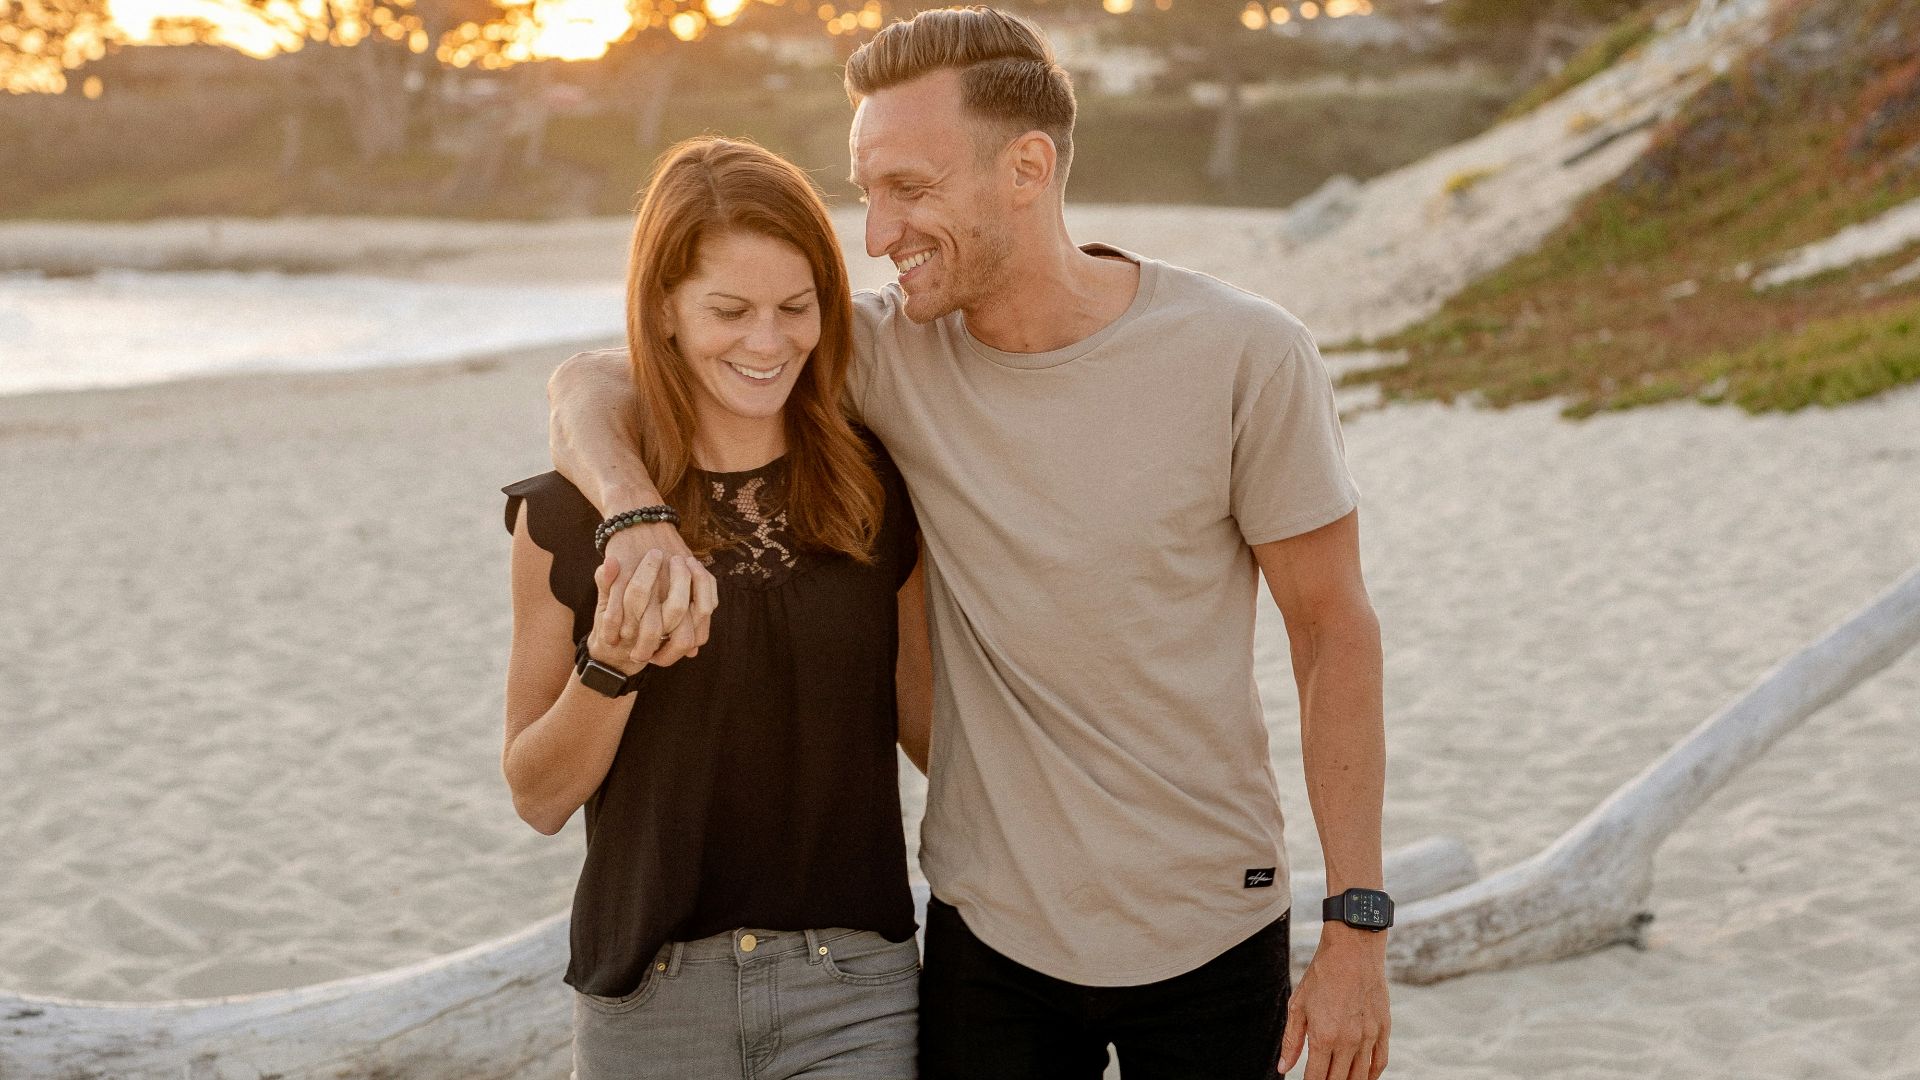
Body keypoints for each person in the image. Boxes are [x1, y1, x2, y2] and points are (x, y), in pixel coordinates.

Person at [547, 9, 1392, 1080]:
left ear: (1027, 168)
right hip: (989, 937)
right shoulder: (885, 356)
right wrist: (633, 512)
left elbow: (1333, 633)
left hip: (1211, 922)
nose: (879, 232)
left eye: (912, 188)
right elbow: (595, 379)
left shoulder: (1245, 354)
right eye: (868, 192)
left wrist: (1357, 924)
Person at [501, 136, 932, 1080]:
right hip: (648, 1000)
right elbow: (536, 795)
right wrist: (610, 663)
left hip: (854, 986)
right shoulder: (566, 517)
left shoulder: (874, 494)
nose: (767, 342)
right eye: (729, 311)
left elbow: (938, 736)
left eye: (795, 307)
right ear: (662, 309)